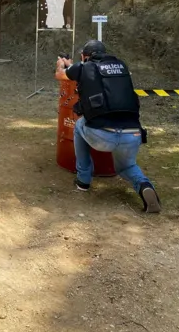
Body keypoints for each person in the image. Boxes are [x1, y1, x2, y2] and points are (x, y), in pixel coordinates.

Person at [55, 40, 161, 213]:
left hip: (102, 135)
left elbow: (61, 75)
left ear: (85, 57)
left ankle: (83, 180)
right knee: (127, 166)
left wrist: (61, 64)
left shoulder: (83, 67)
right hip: (132, 133)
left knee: (79, 125)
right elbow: (99, 75)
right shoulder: (122, 66)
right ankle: (144, 186)